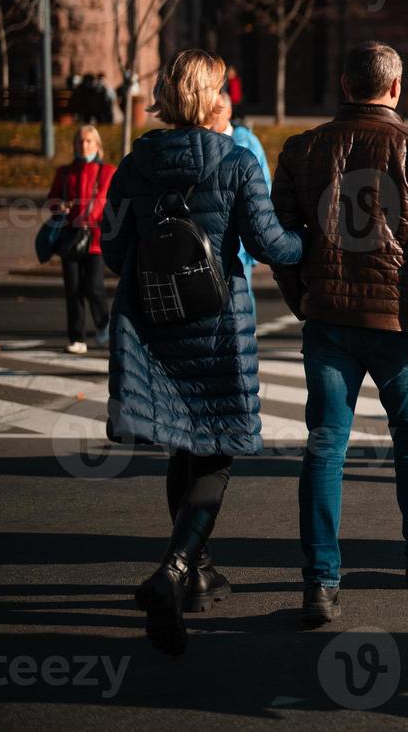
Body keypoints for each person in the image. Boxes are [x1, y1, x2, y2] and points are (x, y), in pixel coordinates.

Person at [101, 49, 303, 656]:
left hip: (157, 323)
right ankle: (174, 571)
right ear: (211, 96)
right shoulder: (237, 161)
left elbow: (112, 252)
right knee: (217, 451)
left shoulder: (134, 163)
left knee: (184, 443)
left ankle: (198, 571)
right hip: (219, 324)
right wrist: (312, 237)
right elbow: (271, 247)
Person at [272, 41, 408, 628]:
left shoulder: (304, 149)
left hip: (330, 320)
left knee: (324, 445)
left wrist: (303, 298)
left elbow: (280, 240)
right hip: (399, 321)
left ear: (343, 84)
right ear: (395, 88)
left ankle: (320, 582)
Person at [46, 124, 115, 354]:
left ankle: (105, 324)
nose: (84, 145)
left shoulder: (107, 172)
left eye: (88, 141)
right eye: (80, 141)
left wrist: (92, 215)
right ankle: (77, 338)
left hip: (96, 238)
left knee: (94, 287)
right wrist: (61, 206)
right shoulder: (65, 172)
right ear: (74, 145)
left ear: (97, 145)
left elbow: (108, 201)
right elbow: (51, 200)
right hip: (70, 237)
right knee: (73, 289)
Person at [212, 99, 270, 304]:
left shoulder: (246, 142)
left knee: (240, 297)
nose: (214, 115)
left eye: (219, 110)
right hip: (215, 243)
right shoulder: (206, 143)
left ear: (229, 111)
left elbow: (263, 186)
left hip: (241, 242)